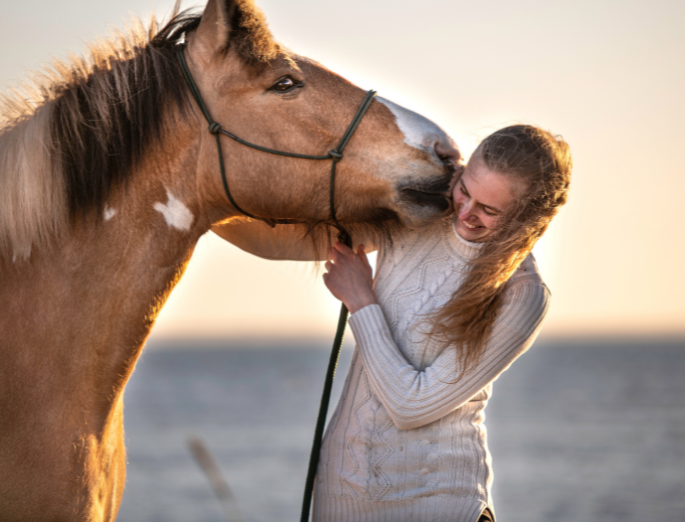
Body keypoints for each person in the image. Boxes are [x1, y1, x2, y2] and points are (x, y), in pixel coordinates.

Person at [214, 124, 572, 522]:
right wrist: (185, 200)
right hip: (340, 493)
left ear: (529, 218)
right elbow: (281, 236)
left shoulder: (521, 294)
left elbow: (411, 406)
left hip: (441, 505)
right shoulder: (419, 212)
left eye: (489, 210)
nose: (466, 213)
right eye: (465, 191)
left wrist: (361, 301)